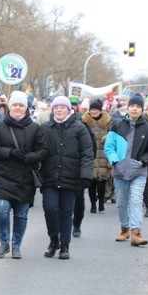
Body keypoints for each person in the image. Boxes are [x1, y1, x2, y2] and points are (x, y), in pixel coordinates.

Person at [0, 91, 48, 259]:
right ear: (9, 107)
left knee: (21, 214)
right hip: (3, 176)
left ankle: (16, 245)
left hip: (25, 177)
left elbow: (43, 150)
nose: (18, 108)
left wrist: (30, 157)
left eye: (21, 105)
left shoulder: (35, 128)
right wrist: (11, 152)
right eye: (15, 105)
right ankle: (4, 243)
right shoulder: (0, 126)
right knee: (2, 209)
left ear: (26, 108)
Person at [39, 96, 94, 259]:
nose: (59, 110)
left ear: (70, 110)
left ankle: (65, 245)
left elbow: (87, 152)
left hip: (71, 177)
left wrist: (85, 174)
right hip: (50, 176)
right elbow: (38, 150)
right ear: (52, 110)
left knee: (65, 211)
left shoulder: (79, 128)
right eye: (56, 107)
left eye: (63, 107)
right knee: (50, 209)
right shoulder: (45, 128)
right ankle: (53, 239)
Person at [104, 94, 148, 246]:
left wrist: (142, 161)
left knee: (135, 200)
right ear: (128, 108)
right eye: (132, 106)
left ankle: (136, 233)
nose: (135, 109)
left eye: (138, 106)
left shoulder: (147, 129)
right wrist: (115, 160)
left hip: (138, 171)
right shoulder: (117, 125)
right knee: (121, 202)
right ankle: (124, 228)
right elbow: (109, 146)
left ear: (142, 109)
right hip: (120, 171)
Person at [68, 95, 94, 238]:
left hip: (77, 169)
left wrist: (87, 169)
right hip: (61, 168)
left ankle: (77, 223)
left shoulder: (82, 124)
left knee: (78, 200)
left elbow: (90, 148)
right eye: (69, 105)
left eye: (73, 105)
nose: (71, 108)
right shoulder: (54, 123)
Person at [82, 99, 111, 213]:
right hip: (91, 156)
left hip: (104, 155)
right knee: (91, 184)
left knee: (102, 183)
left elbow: (113, 137)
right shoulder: (85, 123)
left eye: (96, 109)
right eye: (92, 109)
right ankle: (93, 204)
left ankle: (101, 202)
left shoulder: (108, 122)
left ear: (100, 110)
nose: (94, 111)